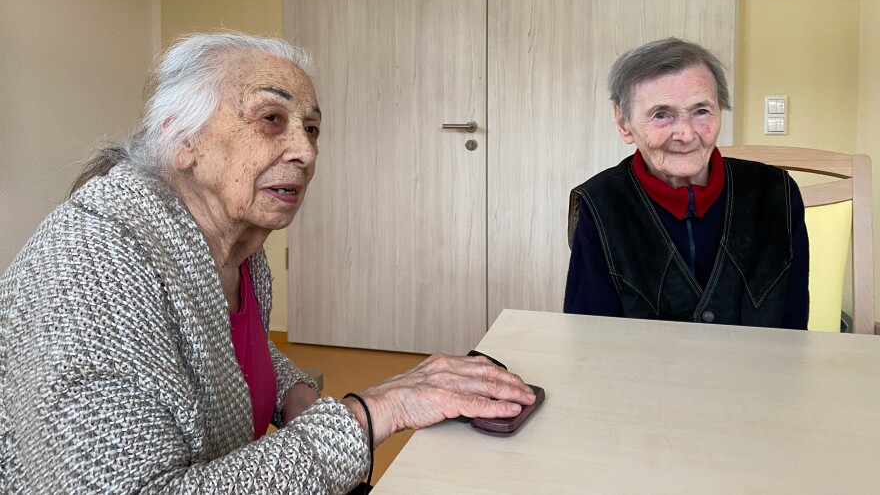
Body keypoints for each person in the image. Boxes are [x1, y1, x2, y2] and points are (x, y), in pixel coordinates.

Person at [0, 32, 536, 494]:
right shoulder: (98, 268)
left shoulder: (238, 254)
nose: (304, 151)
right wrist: (373, 411)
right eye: (271, 119)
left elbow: (226, 353)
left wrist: (292, 393)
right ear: (180, 139)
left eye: (312, 128)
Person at [564, 37, 809, 328]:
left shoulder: (777, 194)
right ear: (623, 123)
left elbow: (794, 327)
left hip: (758, 372)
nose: (686, 133)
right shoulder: (601, 204)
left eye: (701, 111)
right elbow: (590, 334)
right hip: (643, 374)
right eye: (661, 115)